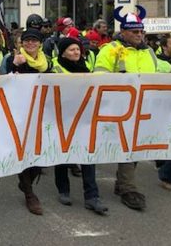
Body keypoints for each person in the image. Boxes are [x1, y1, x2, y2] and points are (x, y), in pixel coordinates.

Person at [94, 5, 157, 211]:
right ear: (123, 32)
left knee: (137, 147)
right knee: (128, 146)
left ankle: (122, 183)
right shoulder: (110, 50)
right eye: (135, 32)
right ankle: (127, 187)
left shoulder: (149, 52)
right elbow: (99, 76)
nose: (139, 35)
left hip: (145, 107)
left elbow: (161, 74)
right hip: (120, 108)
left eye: (141, 31)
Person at [51, 37, 108, 215]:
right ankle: (63, 190)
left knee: (88, 156)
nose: (76, 52)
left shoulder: (86, 69)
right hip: (62, 118)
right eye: (71, 50)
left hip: (84, 118)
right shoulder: (54, 70)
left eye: (77, 49)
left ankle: (92, 196)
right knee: (63, 154)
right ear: (63, 53)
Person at [5, 28, 51, 215]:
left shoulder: (46, 62)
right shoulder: (13, 58)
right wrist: (15, 67)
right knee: (23, 151)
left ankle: (27, 182)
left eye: (34, 40)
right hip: (20, 111)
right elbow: (4, 83)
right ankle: (30, 194)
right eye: (27, 40)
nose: (30, 43)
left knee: (39, 152)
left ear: (40, 44)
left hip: (41, 110)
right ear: (21, 43)